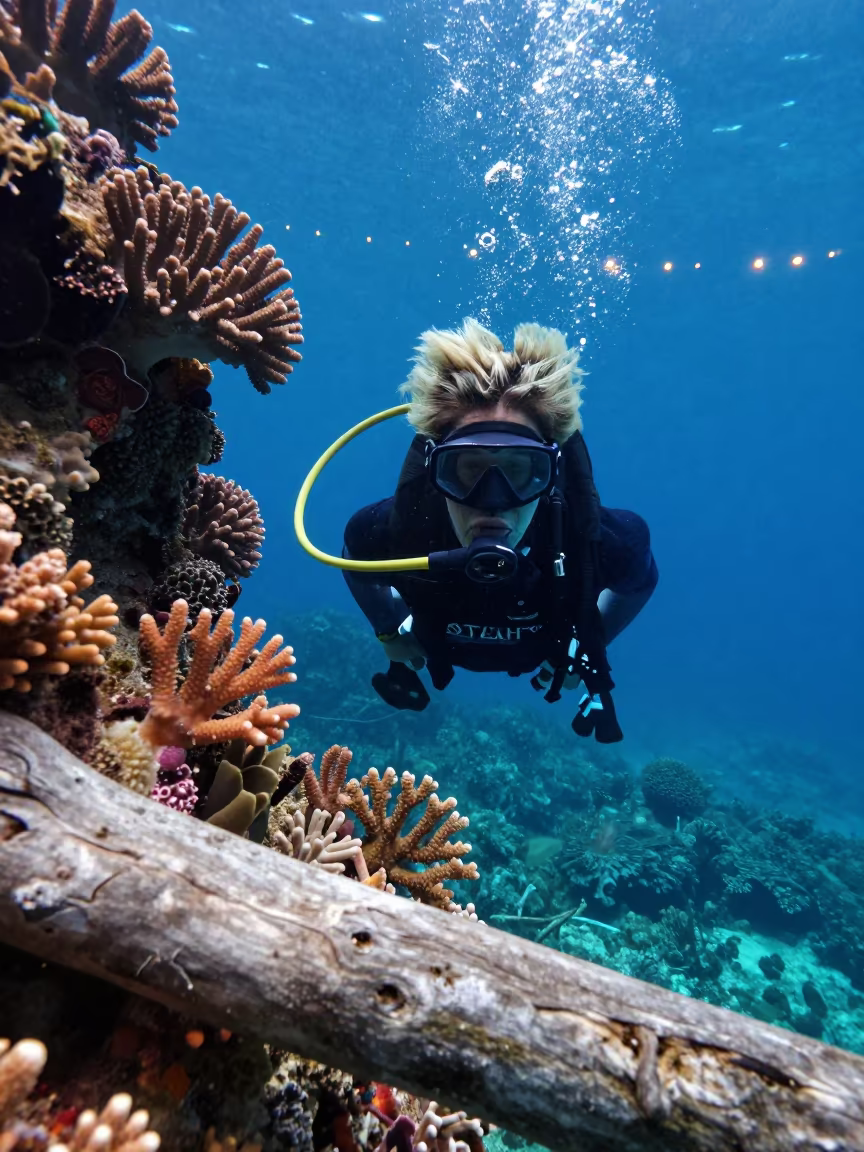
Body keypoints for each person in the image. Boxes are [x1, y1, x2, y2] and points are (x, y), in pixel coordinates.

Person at [342, 319, 658, 742]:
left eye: (520, 471)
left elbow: (639, 581)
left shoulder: (596, 539)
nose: (492, 500)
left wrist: (588, 642)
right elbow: (353, 559)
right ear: (437, 470)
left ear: (551, 472)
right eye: (467, 469)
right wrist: (386, 628)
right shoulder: (389, 531)